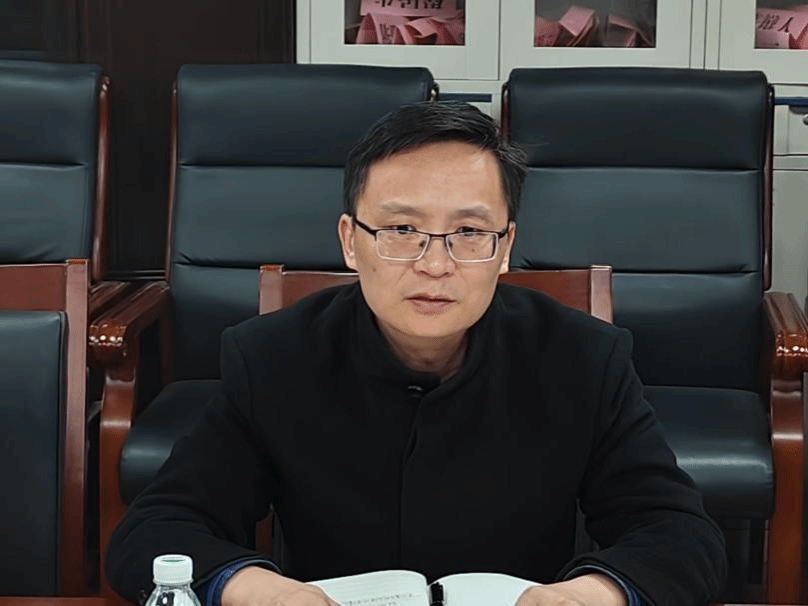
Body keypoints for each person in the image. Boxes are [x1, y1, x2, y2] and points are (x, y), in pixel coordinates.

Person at [106, 102, 726, 606]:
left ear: (505, 248)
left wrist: (589, 595)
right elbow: (158, 528)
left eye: (469, 233)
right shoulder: (272, 356)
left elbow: (678, 533)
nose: (435, 264)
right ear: (351, 242)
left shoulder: (583, 359)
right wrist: (257, 590)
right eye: (401, 230)